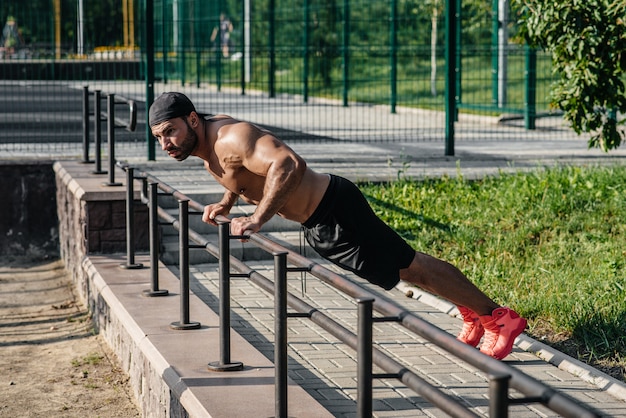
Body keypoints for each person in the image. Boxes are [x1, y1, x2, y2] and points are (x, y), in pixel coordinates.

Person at [148, 92, 527, 360]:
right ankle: (473, 311)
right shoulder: (207, 152)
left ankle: (498, 317)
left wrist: (258, 218)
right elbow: (241, 176)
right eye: (159, 137)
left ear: (193, 119)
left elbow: (287, 164)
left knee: (411, 266)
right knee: (407, 270)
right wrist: (226, 202)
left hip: (334, 209)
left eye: (170, 131)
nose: (165, 142)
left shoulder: (232, 136)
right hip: (320, 223)